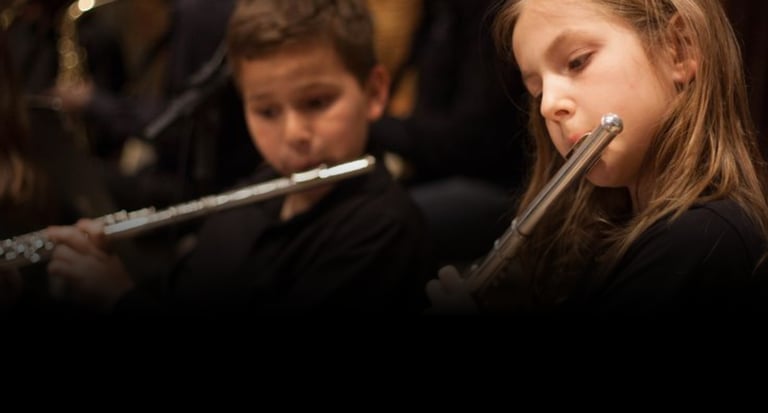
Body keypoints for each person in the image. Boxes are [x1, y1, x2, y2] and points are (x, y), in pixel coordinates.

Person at [43, 0, 436, 317]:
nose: (293, 134)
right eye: (267, 111)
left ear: (374, 92)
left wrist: (120, 299)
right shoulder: (252, 196)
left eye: (317, 102)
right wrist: (103, 269)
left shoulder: (383, 231)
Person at [426, 0, 768, 315]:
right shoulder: (615, 237)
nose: (548, 106)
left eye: (577, 61)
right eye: (538, 91)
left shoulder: (700, 243)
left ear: (678, 48)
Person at [369, 0, 529, 265]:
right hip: (438, 172)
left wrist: (372, 124)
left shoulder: (490, 14)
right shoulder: (439, 10)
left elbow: (471, 143)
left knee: (374, 224)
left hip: (495, 187)